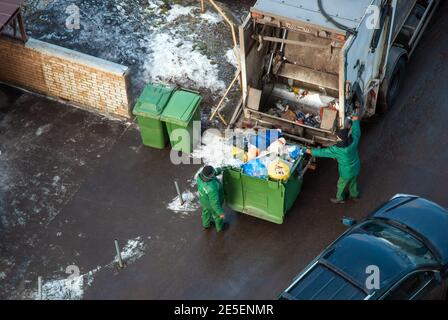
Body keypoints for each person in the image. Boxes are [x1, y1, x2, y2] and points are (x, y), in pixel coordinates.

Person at [307, 115, 361, 204]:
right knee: (353, 182)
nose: (337, 138)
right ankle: (354, 195)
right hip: (356, 167)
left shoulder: (337, 150)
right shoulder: (353, 141)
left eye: (338, 138)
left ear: (341, 139)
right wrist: (355, 121)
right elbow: (356, 132)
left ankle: (340, 198)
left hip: (345, 172)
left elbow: (322, 152)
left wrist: (310, 151)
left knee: (341, 185)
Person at [196, 165, 228, 232]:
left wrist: (221, 169)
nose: (214, 173)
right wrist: (220, 213)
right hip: (211, 205)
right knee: (217, 216)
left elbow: (214, 172)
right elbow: (215, 204)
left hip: (204, 201)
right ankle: (220, 228)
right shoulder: (211, 189)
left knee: (206, 212)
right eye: (213, 173)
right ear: (210, 176)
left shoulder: (200, 176)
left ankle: (206, 225)